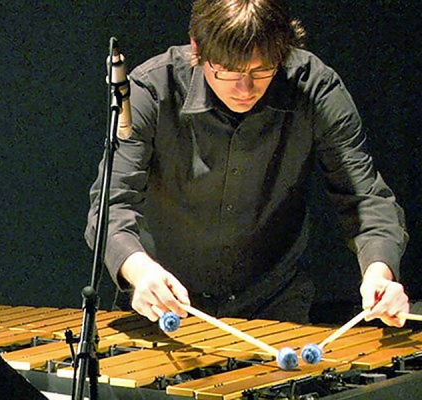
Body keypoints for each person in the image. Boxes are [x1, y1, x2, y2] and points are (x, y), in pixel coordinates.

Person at [85, 0, 410, 327]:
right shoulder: (152, 89)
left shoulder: (315, 88)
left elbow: (364, 196)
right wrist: (140, 271)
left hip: (272, 306)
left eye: (261, 69)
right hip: (164, 305)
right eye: (227, 70)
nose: (245, 88)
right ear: (197, 48)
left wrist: (378, 272)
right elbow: (110, 205)